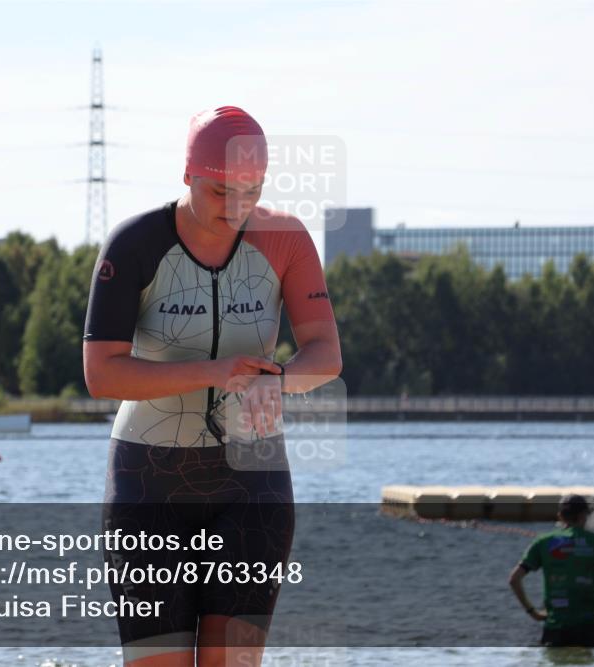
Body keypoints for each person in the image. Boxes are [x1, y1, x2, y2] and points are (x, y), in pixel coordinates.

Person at [82, 106, 342, 667]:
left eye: (251, 190)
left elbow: (326, 353)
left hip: (254, 485)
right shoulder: (134, 243)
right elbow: (101, 374)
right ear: (187, 175)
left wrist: (281, 381)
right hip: (149, 483)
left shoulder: (286, 239)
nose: (236, 207)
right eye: (220, 191)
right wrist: (212, 371)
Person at [508, 494, 594, 648]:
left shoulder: (543, 542)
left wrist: (532, 612)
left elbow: (514, 579)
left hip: (556, 627)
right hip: (591, 626)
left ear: (560, 516)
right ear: (583, 516)